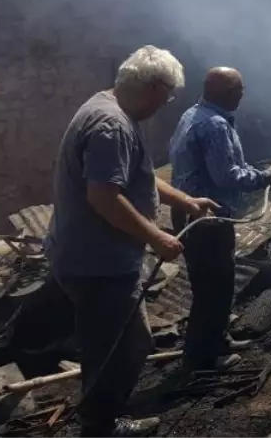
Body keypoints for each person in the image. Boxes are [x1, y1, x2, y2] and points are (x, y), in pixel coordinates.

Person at [45, 46, 218, 438]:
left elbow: (135, 174)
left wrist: (184, 200)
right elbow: (104, 196)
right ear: (153, 87)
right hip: (97, 262)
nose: (167, 103)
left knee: (112, 343)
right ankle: (101, 426)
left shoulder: (112, 107)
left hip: (92, 255)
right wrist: (156, 236)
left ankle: (100, 418)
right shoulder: (112, 125)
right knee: (121, 347)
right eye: (168, 94)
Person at [168, 67, 271, 373]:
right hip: (206, 218)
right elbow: (226, 176)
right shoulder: (216, 125)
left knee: (216, 282)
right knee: (212, 288)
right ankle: (202, 358)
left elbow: (224, 163)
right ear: (226, 93)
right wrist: (265, 177)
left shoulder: (193, 114)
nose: (243, 94)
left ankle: (218, 340)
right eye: (239, 90)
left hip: (192, 213)